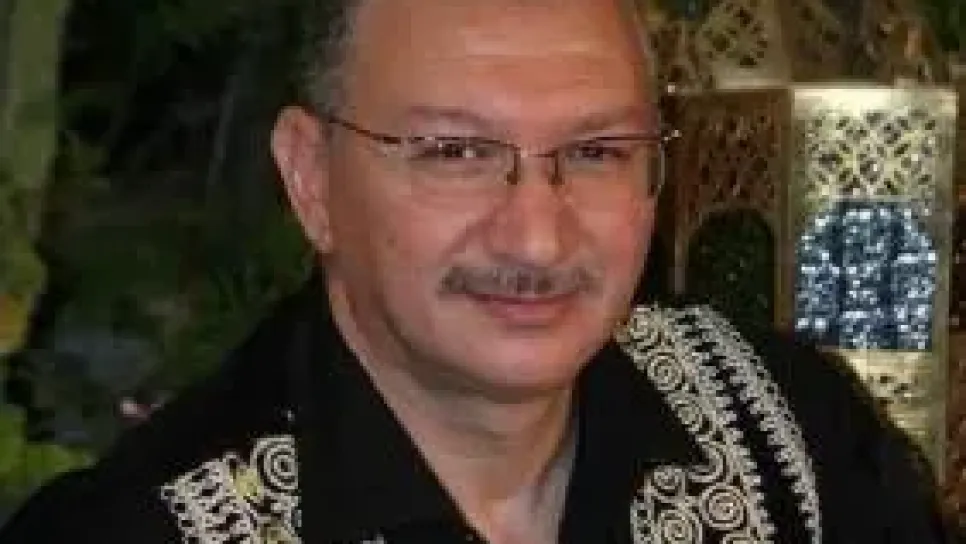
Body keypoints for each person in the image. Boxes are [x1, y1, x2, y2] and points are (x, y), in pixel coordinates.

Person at [0, 0, 954, 542]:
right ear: (311, 179)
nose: (536, 240)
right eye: (455, 153)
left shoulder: (784, 432)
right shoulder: (146, 529)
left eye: (596, 152)